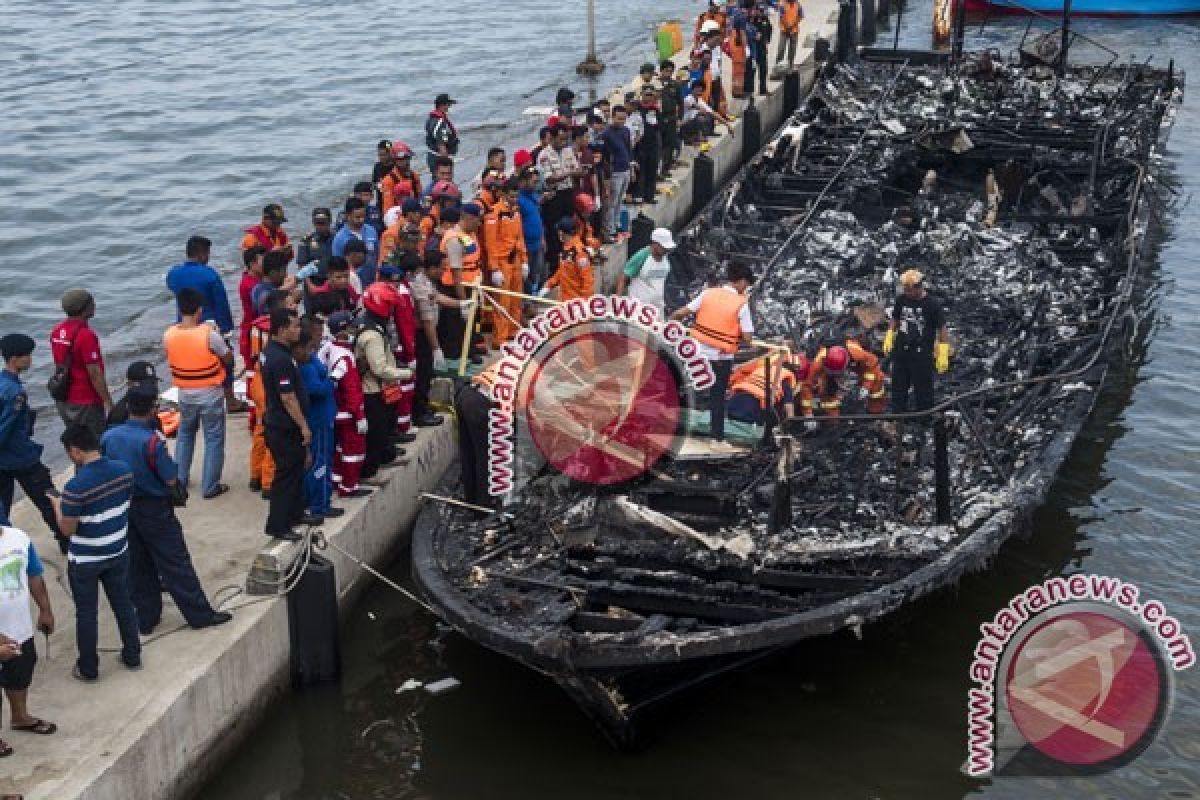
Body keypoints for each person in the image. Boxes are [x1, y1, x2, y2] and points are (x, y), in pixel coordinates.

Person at [100, 386, 232, 633]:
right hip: (154, 508)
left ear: (127, 407)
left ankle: (146, 618)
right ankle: (199, 614)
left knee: (138, 565)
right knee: (175, 563)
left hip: (124, 507)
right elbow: (170, 477)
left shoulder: (109, 437)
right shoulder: (152, 441)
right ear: (154, 409)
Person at [50, 424, 141, 681]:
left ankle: (89, 668)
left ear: (76, 452)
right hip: (118, 549)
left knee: (87, 613)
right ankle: (132, 654)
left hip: (86, 560)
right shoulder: (124, 471)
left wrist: (58, 505)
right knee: (123, 604)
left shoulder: (75, 487)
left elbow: (67, 530)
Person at [670, 261, 756, 441]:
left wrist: (667, 327)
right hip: (720, 358)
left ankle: (669, 422)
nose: (745, 289)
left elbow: (680, 313)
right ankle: (716, 437)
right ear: (740, 282)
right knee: (717, 397)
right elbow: (748, 338)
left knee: (686, 386)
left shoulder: (708, 293)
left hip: (696, 353)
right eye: (746, 285)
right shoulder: (741, 304)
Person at [164, 288, 233, 499]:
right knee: (213, 438)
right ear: (199, 311)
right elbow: (228, 357)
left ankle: (180, 480)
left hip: (184, 392)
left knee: (185, 436)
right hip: (210, 392)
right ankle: (210, 486)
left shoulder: (169, 334)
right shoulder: (208, 335)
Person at [0, 335, 65, 554]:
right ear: (14, 359)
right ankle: (67, 542)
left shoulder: (3, 383)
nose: (30, 360)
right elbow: (5, 428)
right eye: (26, 355)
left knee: (2, 510)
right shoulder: (14, 393)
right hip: (21, 456)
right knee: (49, 500)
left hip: (5, 460)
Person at [166, 236, 246, 413]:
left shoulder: (173, 274)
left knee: (188, 362)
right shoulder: (210, 275)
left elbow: (173, 290)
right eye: (207, 253)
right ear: (202, 254)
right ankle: (230, 400)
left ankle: (189, 395)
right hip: (209, 326)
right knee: (226, 363)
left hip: (183, 324)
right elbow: (221, 304)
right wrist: (227, 329)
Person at [260, 309, 319, 540]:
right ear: (282, 329)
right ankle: (278, 525)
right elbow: (287, 397)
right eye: (294, 326)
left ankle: (295, 513)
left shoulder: (273, 352)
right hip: (283, 427)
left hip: (281, 424)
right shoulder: (281, 359)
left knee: (295, 472)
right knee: (286, 476)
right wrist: (304, 426)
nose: (298, 330)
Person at [0, 521, 56, 748]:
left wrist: (45, 609)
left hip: (20, 630)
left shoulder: (19, 537)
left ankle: (20, 718)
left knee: (20, 676)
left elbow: (34, 575)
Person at [355, 292, 412, 485]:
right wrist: (405, 373)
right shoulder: (372, 335)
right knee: (376, 433)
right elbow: (379, 368)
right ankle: (370, 472)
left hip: (380, 389)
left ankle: (385, 458)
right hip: (373, 391)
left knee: (386, 427)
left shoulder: (373, 327)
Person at [320, 312, 372, 498]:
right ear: (342, 332)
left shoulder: (329, 348)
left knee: (341, 448)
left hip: (336, 410)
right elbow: (352, 390)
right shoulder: (345, 358)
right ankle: (349, 486)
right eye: (351, 327)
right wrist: (359, 416)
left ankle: (337, 478)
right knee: (354, 451)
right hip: (348, 414)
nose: (355, 330)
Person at [884, 269, 950, 413]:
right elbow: (895, 318)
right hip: (902, 350)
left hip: (921, 353)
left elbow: (942, 328)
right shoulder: (901, 300)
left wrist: (943, 351)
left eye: (909, 290)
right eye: (905, 289)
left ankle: (924, 418)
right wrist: (890, 334)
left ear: (919, 287)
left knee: (923, 388)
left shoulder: (932, 304)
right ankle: (898, 416)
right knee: (898, 385)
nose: (906, 292)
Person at [49, 288, 112, 437]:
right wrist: (108, 402)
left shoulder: (57, 330)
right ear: (85, 309)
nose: (94, 305)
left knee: (78, 442)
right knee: (96, 444)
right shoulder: (86, 335)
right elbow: (94, 373)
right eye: (92, 303)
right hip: (86, 400)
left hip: (64, 397)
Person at [295, 323, 341, 521]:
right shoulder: (306, 369)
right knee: (320, 464)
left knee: (323, 461)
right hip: (319, 420)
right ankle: (320, 505)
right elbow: (319, 389)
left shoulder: (312, 359)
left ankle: (316, 500)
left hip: (325, 416)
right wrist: (332, 380)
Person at [406, 253, 450, 428]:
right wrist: (436, 348)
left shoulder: (428, 283)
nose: (444, 271)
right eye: (442, 268)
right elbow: (427, 322)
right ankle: (419, 414)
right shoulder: (420, 286)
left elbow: (438, 297)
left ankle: (423, 407)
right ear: (432, 268)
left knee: (427, 375)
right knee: (422, 375)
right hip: (422, 336)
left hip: (426, 335)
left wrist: (462, 304)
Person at [483, 177, 529, 345]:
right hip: (502, 263)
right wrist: (494, 268)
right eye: (511, 196)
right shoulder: (493, 214)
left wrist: (524, 260)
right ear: (503, 194)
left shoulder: (515, 212)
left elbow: (520, 237)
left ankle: (513, 331)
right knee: (502, 301)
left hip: (515, 260)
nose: (514, 200)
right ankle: (500, 338)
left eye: (516, 197)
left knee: (516, 299)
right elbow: (490, 243)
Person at [437, 203, 485, 363]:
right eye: (478, 220)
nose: (480, 224)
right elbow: (456, 272)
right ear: (469, 218)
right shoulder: (454, 240)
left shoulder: (469, 234)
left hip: (473, 284)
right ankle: (455, 357)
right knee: (457, 325)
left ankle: (470, 350)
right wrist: (463, 300)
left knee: (472, 322)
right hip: (456, 288)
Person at [454, 363, 500, 507]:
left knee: (468, 452)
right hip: (479, 404)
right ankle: (483, 506)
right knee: (486, 457)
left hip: (466, 394)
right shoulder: (533, 377)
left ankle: (471, 499)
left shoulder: (514, 360)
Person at [538, 124, 583, 269]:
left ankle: (570, 256)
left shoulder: (568, 151)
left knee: (569, 226)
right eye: (561, 139)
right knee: (554, 232)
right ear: (552, 138)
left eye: (565, 139)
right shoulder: (544, 155)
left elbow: (577, 169)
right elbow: (548, 178)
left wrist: (578, 172)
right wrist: (569, 174)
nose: (563, 143)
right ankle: (555, 265)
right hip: (554, 196)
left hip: (568, 193)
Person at [728, 351, 808, 424]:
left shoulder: (762, 368)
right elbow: (788, 405)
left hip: (733, 401)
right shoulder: (785, 378)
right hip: (753, 407)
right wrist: (790, 423)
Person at [617, 227, 676, 310]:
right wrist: (618, 301)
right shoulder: (642, 256)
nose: (667, 249)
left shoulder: (664, 256)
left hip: (657, 305)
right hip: (638, 306)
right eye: (664, 247)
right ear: (655, 244)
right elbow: (623, 277)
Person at [599, 106, 634, 241]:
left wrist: (631, 165)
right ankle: (609, 231)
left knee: (619, 200)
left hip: (625, 169)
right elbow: (605, 157)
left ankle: (616, 225)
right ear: (612, 117)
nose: (621, 121)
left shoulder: (626, 131)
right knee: (611, 203)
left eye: (624, 119)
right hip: (614, 172)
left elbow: (629, 149)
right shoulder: (606, 134)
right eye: (619, 119)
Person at [542, 218, 594, 302]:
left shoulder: (579, 253)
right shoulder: (566, 248)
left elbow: (587, 280)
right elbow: (563, 271)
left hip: (576, 304)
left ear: (562, 232)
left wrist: (584, 303)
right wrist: (549, 284)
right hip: (566, 300)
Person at [333, 198, 380, 287]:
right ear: (348, 216)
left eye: (363, 216)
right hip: (352, 286)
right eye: (357, 217)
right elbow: (338, 266)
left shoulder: (371, 230)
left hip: (372, 283)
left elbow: (377, 255)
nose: (361, 220)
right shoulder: (339, 238)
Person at [105, 361, 161, 430]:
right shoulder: (119, 414)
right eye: (145, 384)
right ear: (130, 384)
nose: (152, 386)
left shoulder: (150, 404)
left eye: (153, 382)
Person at [516, 167, 547, 293]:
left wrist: (542, 238)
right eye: (533, 182)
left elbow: (538, 218)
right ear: (524, 181)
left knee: (537, 274)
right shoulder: (518, 200)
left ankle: (535, 295)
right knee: (526, 276)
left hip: (537, 243)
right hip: (526, 246)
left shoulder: (533, 197)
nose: (536, 185)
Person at [632, 86, 663, 205]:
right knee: (641, 172)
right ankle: (639, 195)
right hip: (640, 146)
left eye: (651, 95)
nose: (649, 97)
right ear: (642, 95)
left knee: (652, 171)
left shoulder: (655, 110)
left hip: (653, 145)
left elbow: (660, 127)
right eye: (647, 95)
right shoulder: (637, 110)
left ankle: (649, 196)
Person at [238, 245, 267, 368]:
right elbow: (266, 301)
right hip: (252, 332)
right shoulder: (250, 284)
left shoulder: (256, 279)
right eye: (263, 262)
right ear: (252, 264)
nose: (266, 265)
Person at [681, 78, 733, 144]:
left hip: (691, 125)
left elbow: (713, 113)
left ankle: (699, 135)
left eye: (700, 91)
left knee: (710, 115)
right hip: (683, 126)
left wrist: (727, 125)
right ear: (692, 90)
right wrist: (700, 110)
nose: (698, 93)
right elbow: (693, 106)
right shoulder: (688, 99)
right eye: (697, 90)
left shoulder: (699, 100)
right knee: (700, 116)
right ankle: (692, 138)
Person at [295, 208, 335, 291]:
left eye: (323, 222)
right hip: (314, 282)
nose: (320, 226)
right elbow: (302, 266)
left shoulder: (337, 238)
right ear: (313, 223)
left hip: (333, 281)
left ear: (330, 221)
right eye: (318, 223)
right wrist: (310, 286)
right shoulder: (306, 241)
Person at [380, 143, 422, 216]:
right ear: (394, 160)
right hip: (397, 216)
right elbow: (388, 211)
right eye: (401, 160)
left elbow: (420, 198)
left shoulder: (414, 176)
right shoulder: (388, 181)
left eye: (407, 158)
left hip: (415, 214)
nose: (405, 162)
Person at [657, 61, 683, 176]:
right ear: (661, 71)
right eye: (666, 70)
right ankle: (657, 171)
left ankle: (665, 169)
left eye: (671, 71)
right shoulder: (656, 85)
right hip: (659, 119)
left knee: (669, 145)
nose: (668, 73)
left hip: (671, 118)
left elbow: (680, 102)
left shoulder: (675, 85)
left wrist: (680, 118)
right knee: (659, 145)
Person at [425, 93, 460, 173]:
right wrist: (446, 163)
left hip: (434, 156)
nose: (449, 107)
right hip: (438, 157)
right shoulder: (439, 122)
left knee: (437, 181)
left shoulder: (432, 118)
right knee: (442, 182)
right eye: (448, 105)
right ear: (442, 105)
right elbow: (441, 143)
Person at [776, 0, 803, 68]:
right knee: (781, 48)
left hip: (794, 30)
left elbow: (800, 16)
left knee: (792, 49)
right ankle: (778, 63)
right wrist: (787, 26)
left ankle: (790, 64)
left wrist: (793, 25)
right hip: (784, 30)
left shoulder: (798, 5)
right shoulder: (783, 4)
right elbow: (781, 17)